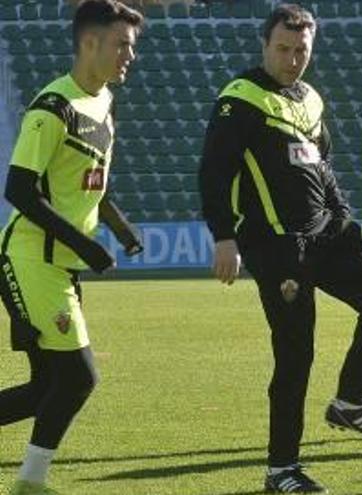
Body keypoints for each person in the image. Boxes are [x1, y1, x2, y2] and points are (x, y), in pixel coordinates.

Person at [198, 4, 362, 493]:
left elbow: (322, 163)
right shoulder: (241, 99)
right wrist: (223, 236)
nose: (293, 59)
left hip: (327, 236)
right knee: (296, 355)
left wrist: (342, 214)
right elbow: (214, 172)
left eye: (301, 51)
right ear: (265, 46)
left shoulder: (310, 99)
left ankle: (350, 401)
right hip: (275, 245)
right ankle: (281, 470)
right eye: (283, 49)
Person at [0, 2, 143, 494]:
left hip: (61, 261)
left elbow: (91, 183)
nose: (130, 55)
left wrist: (120, 227)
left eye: (132, 46)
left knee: (48, 387)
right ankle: (30, 484)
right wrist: (87, 243)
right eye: (122, 44)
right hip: (31, 258)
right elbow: (18, 190)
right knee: (79, 378)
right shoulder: (52, 108)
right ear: (90, 43)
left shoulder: (103, 102)